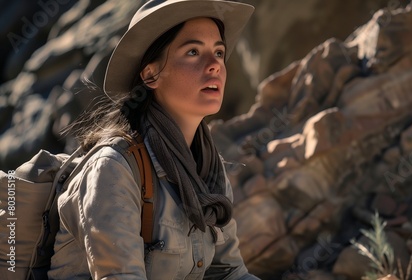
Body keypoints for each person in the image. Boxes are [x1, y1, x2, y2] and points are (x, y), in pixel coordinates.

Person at [48, 0, 259, 279]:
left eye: (219, 52)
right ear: (151, 75)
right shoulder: (113, 168)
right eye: (193, 52)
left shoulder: (209, 169)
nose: (214, 65)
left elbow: (229, 273)